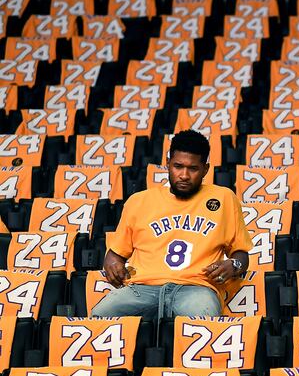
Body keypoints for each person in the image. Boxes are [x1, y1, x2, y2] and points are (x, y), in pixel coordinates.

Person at [91, 130, 252, 318]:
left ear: (206, 169)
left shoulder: (224, 198)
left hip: (196, 289)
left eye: (193, 168)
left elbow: (241, 254)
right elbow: (115, 255)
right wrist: (112, 263)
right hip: (142, 288)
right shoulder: (138, 201)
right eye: (178, 166)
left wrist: (233, 265)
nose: (184, 175)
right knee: (100, 314)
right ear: (167, 164)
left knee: (203, 320)